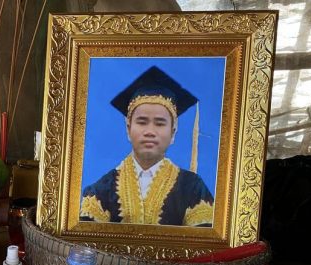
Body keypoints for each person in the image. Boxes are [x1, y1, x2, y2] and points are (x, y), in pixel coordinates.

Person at [80, 66, 214, 226]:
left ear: (173, 133)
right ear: (128, 129)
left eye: (159, 123)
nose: (150, 131)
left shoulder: (193, 188)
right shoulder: (100, 192)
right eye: (142, 122)